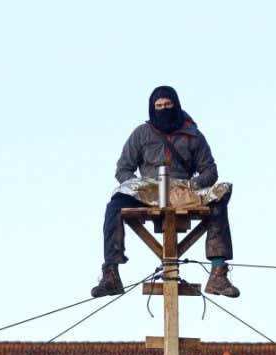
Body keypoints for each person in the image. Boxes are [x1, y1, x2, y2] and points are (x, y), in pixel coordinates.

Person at [93, 85, 239, 299]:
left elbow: (210, 170)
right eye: (158, 106)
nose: (163, 109)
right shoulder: (141, 134)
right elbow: (123, 168)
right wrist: (139, 187)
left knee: (219, 197)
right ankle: (111, 274)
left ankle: (218, 273)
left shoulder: (193, 135)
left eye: (168, 105)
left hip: (183, 190)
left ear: (176, 106)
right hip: (149, 189)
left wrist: (194, 185)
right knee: (115, 204)